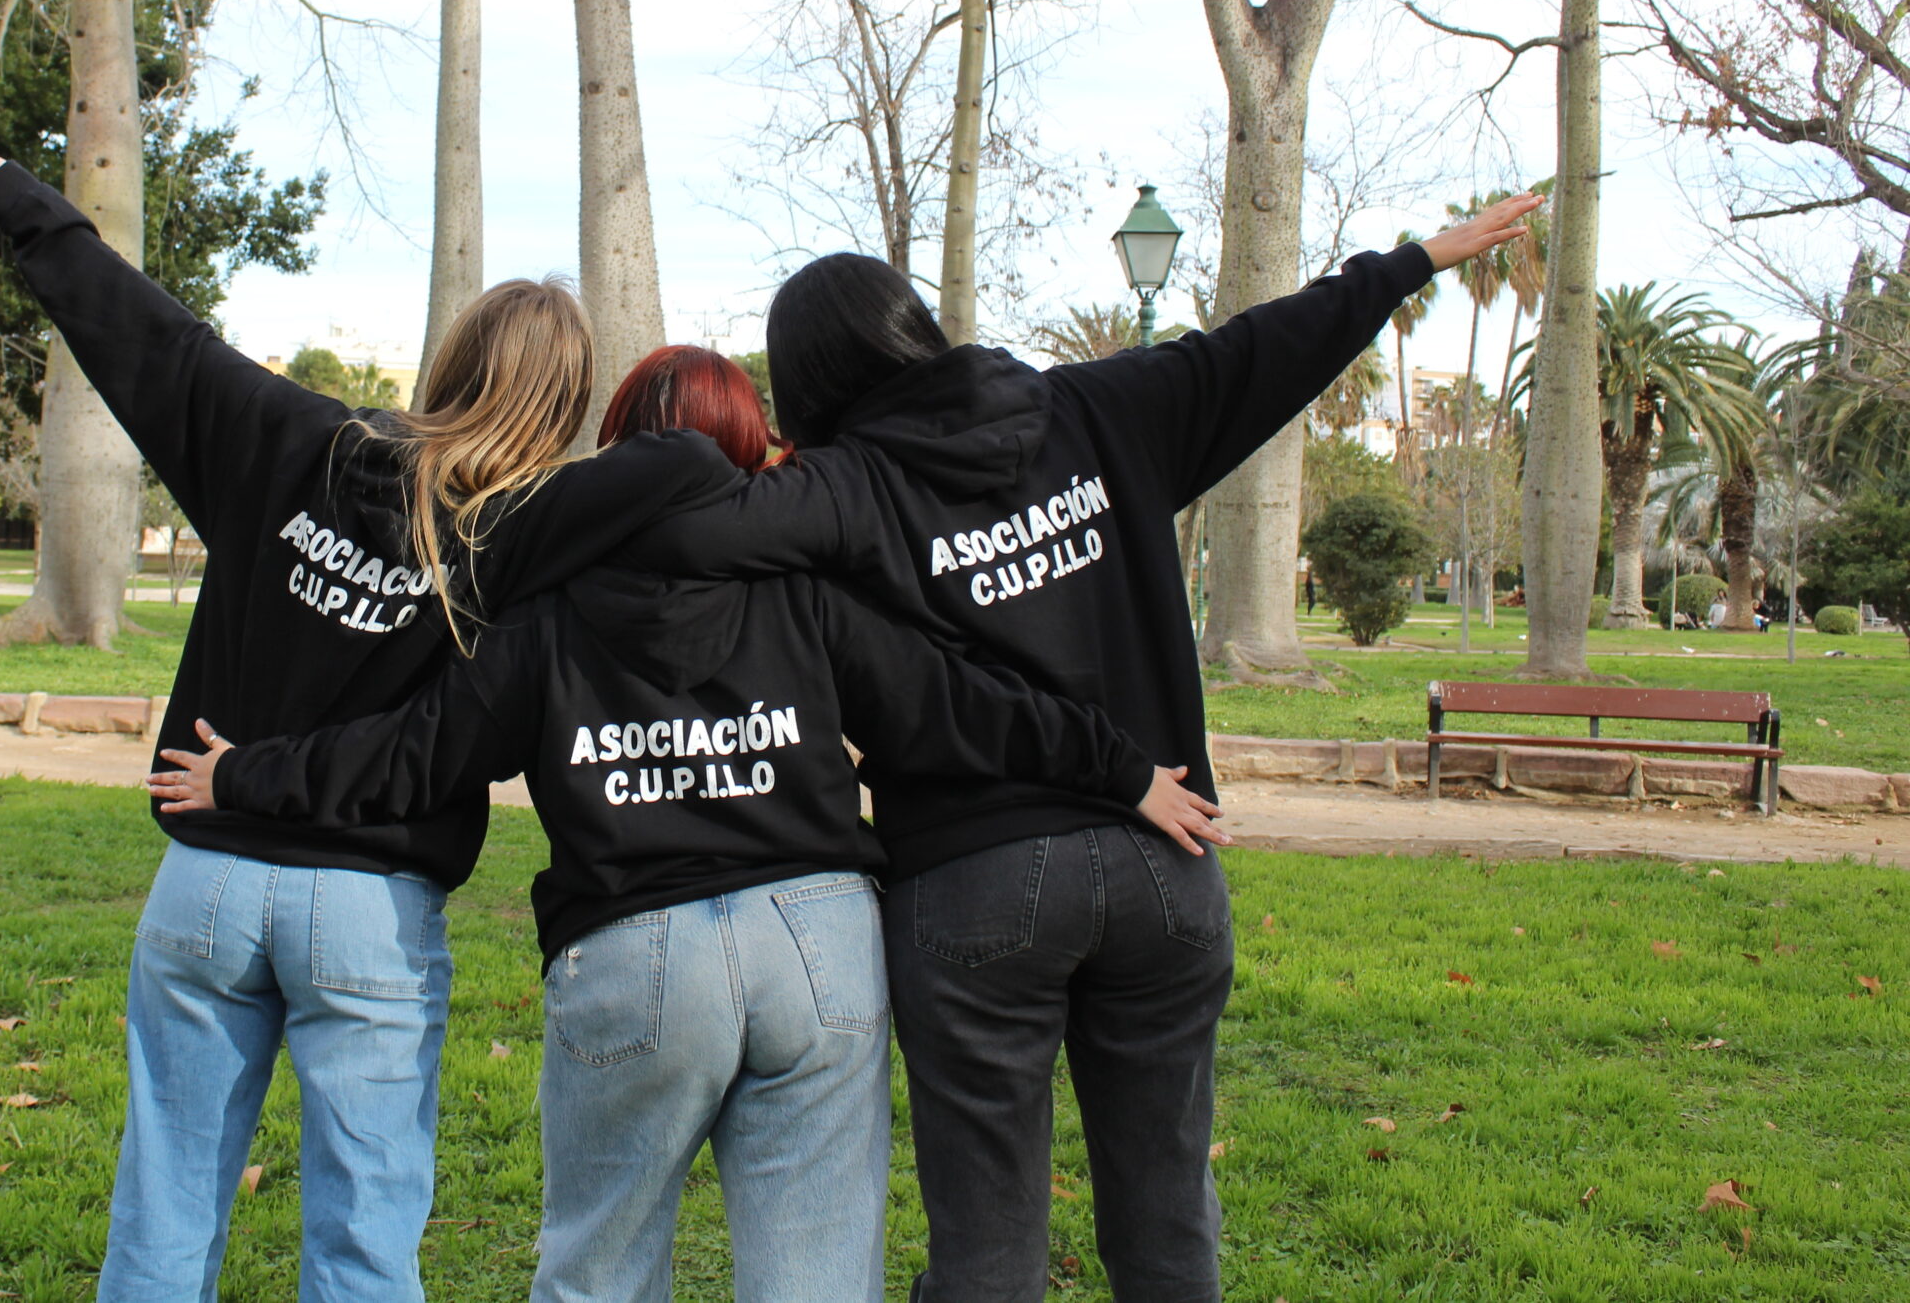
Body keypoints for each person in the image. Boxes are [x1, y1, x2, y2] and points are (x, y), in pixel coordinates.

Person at [150, 345, 1228, 1303]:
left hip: (634, 945)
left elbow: (414, 752)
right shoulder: (806, 589)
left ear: (613, 442)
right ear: (755, 449)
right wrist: (1122, 770)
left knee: (599, 1273)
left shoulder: (548, 607)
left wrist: (245, 775)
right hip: (815, 944)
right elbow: (956, 704)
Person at [619, 195, 1541, 1303]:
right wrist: (1408, 263)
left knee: (988, 1251)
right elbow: (1262, 350)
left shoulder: (844, 488)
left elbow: (679, 530)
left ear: (807, 386)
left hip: (974, 884)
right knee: (1168, 1232)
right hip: (1167, 864)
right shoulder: (1099, 410)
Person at [0, 146, 742, 1303]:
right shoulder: (528, 522)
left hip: (207, 883)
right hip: (369, 910)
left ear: (448, 361)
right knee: (364, 1237)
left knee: (164, 1205)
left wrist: (28, 207)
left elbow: (152, 337)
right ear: (565, 406)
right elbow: (686, 464)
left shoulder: (287, 439)